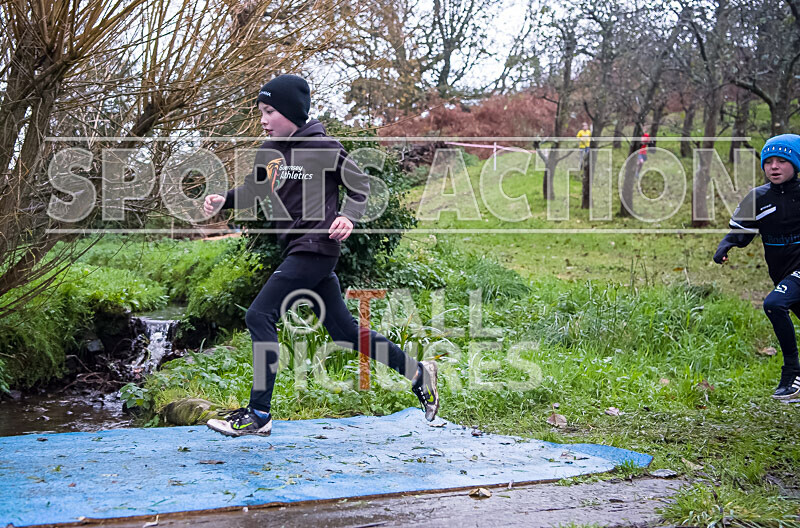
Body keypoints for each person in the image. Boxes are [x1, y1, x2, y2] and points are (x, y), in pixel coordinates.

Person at [202, 74, 439, 436]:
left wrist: (348, 216)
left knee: (259, 315)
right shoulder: (270, 152)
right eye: (261, 112)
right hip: (300, 249)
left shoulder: (325, 147)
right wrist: (224, 199)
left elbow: (362, 189)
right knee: (344, 331)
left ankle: (259, 413)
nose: (263, 119)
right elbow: (254, 190)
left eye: (269, 111)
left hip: (317, 246)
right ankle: (417, 373)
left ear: (292, 112)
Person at [713, 133, 800, 400]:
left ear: (796, 165)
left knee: (774, 304)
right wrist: (726, 245)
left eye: (782, 161)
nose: (774, 166)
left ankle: (792, 374)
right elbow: (742, 231)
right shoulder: (758, 198)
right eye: (769, 161)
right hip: (781, 270)